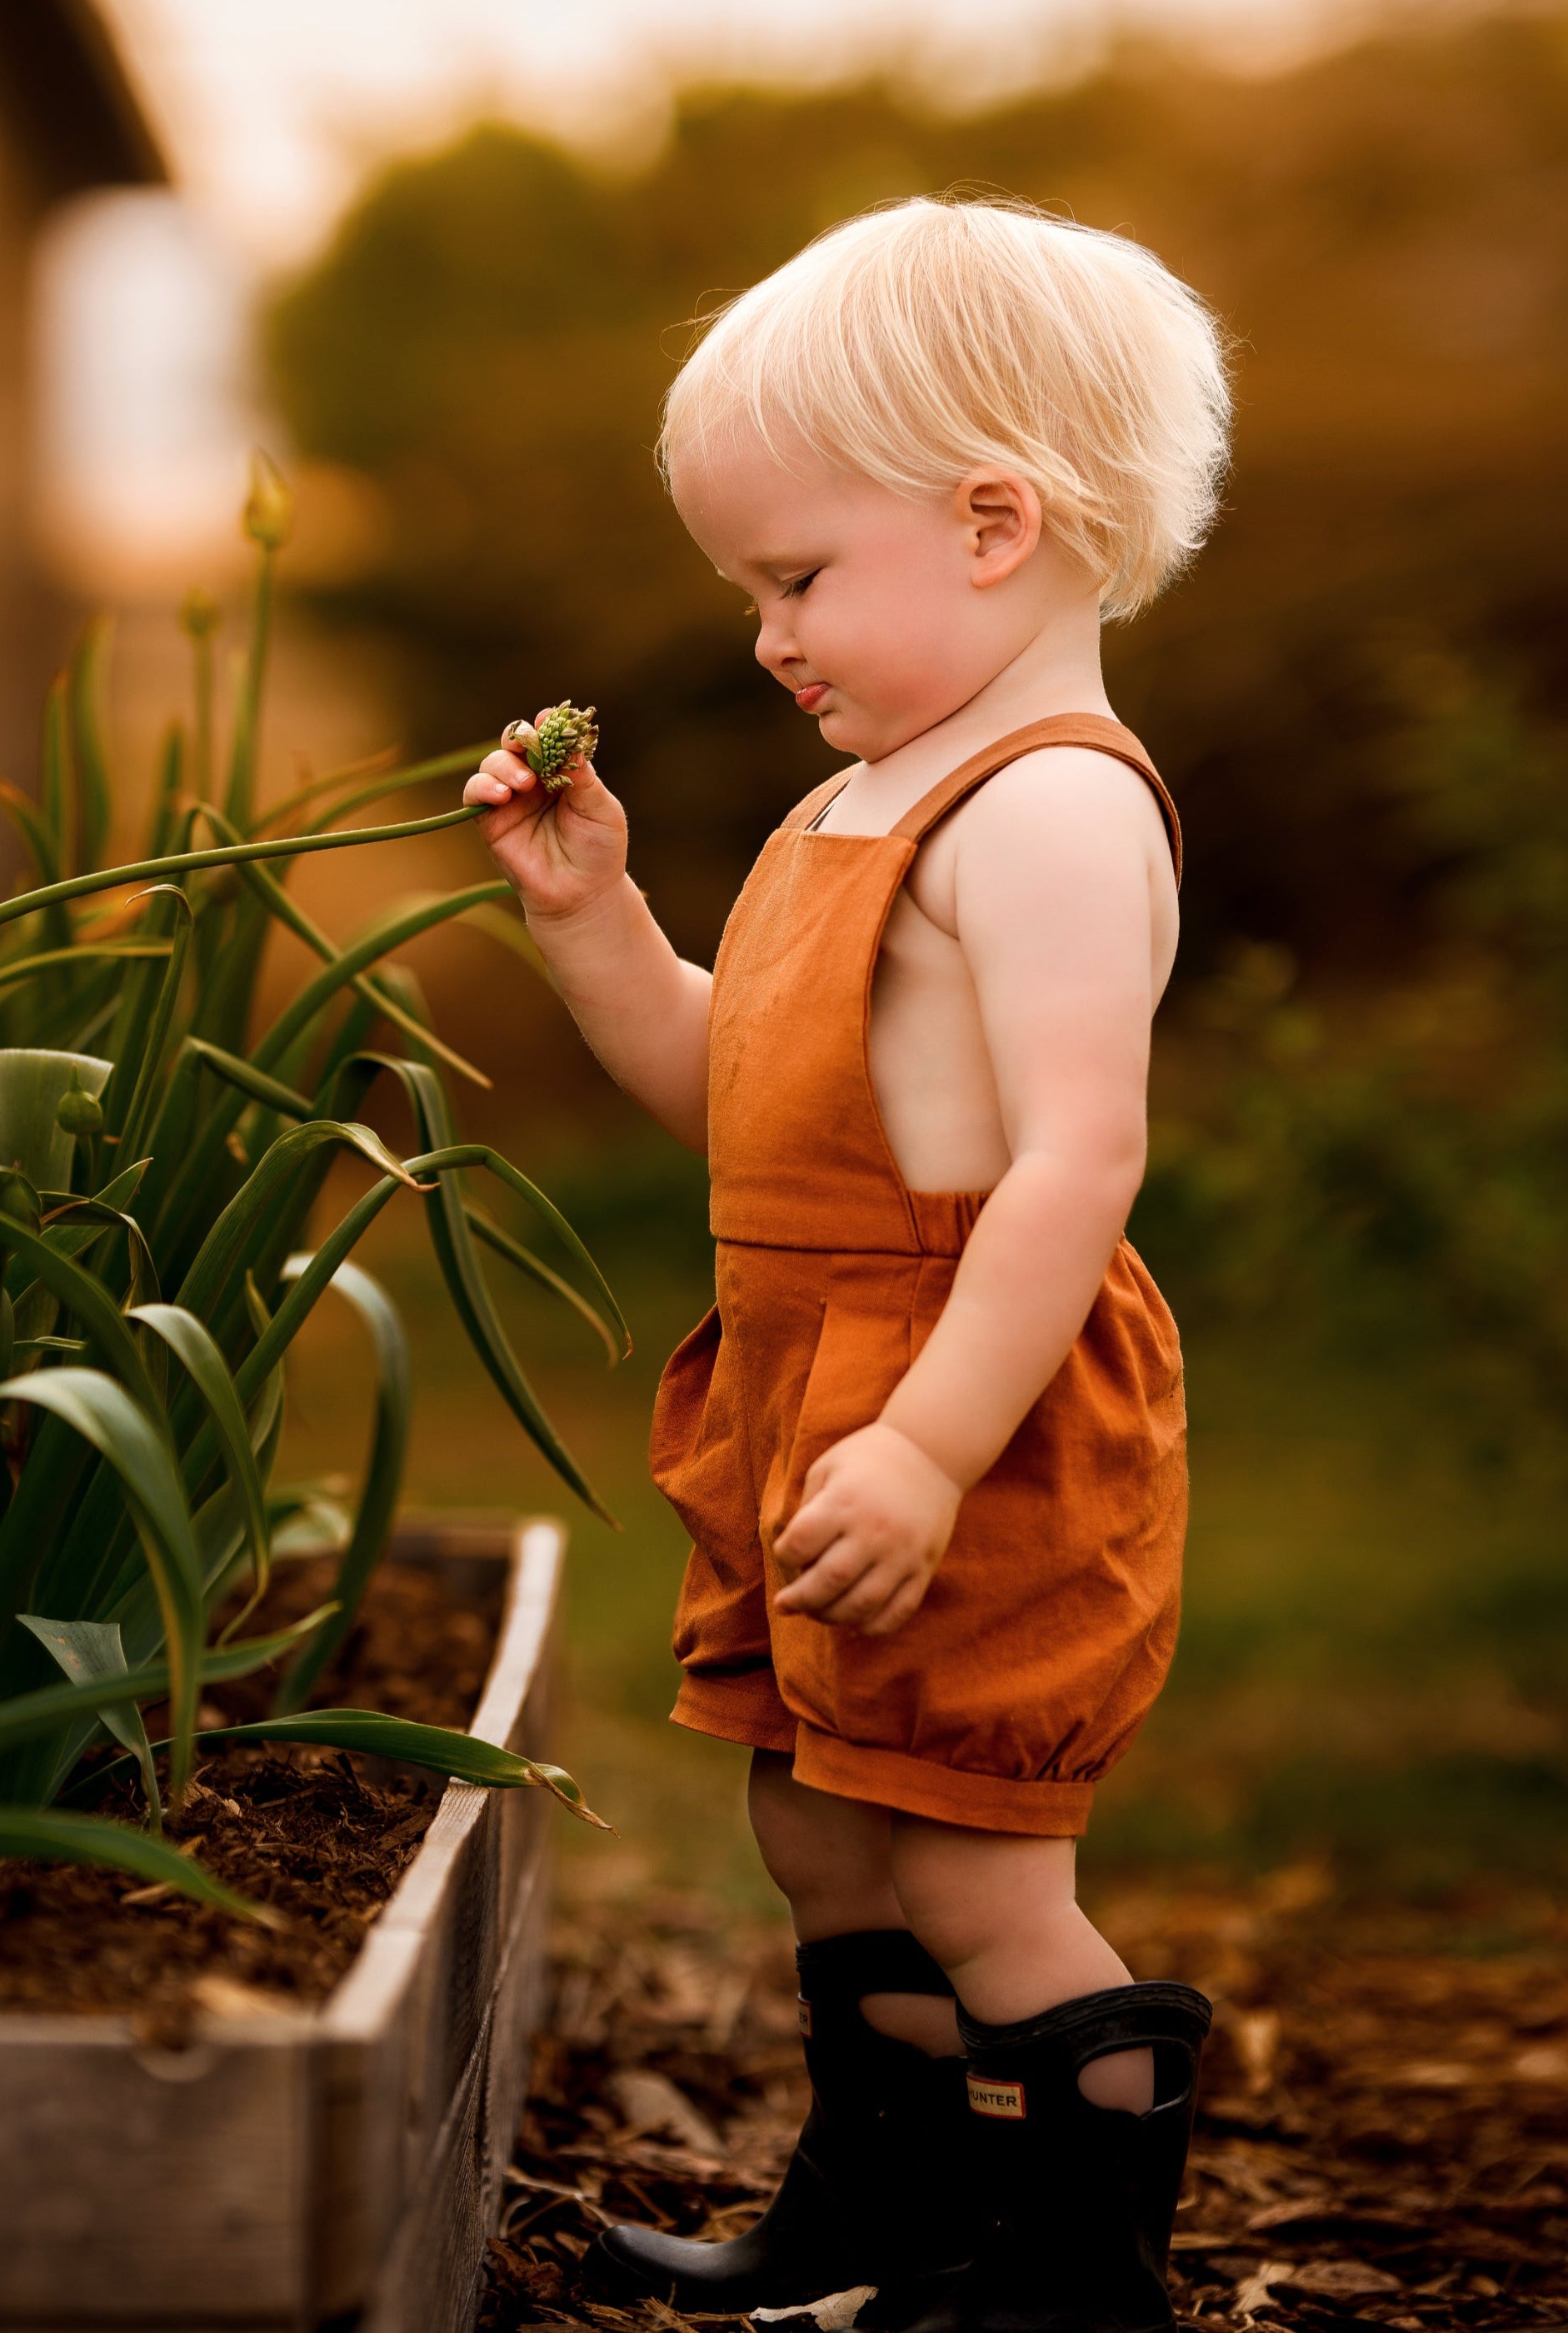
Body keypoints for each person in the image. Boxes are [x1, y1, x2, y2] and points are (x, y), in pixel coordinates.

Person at [464, 195, 1232, 2331]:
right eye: (749, 588)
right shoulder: (852, 808)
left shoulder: (1051, 809)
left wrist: (923, 1444)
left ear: (993, 520)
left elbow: (1074, 1159)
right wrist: (592, 922)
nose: (763, 633)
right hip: (811, 1369)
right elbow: (739, 1089)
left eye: (793, 575)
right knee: (817, 1817)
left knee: (976, 1858)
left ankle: (1077, 2269)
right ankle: (885, 2202)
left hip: (961, 1381)